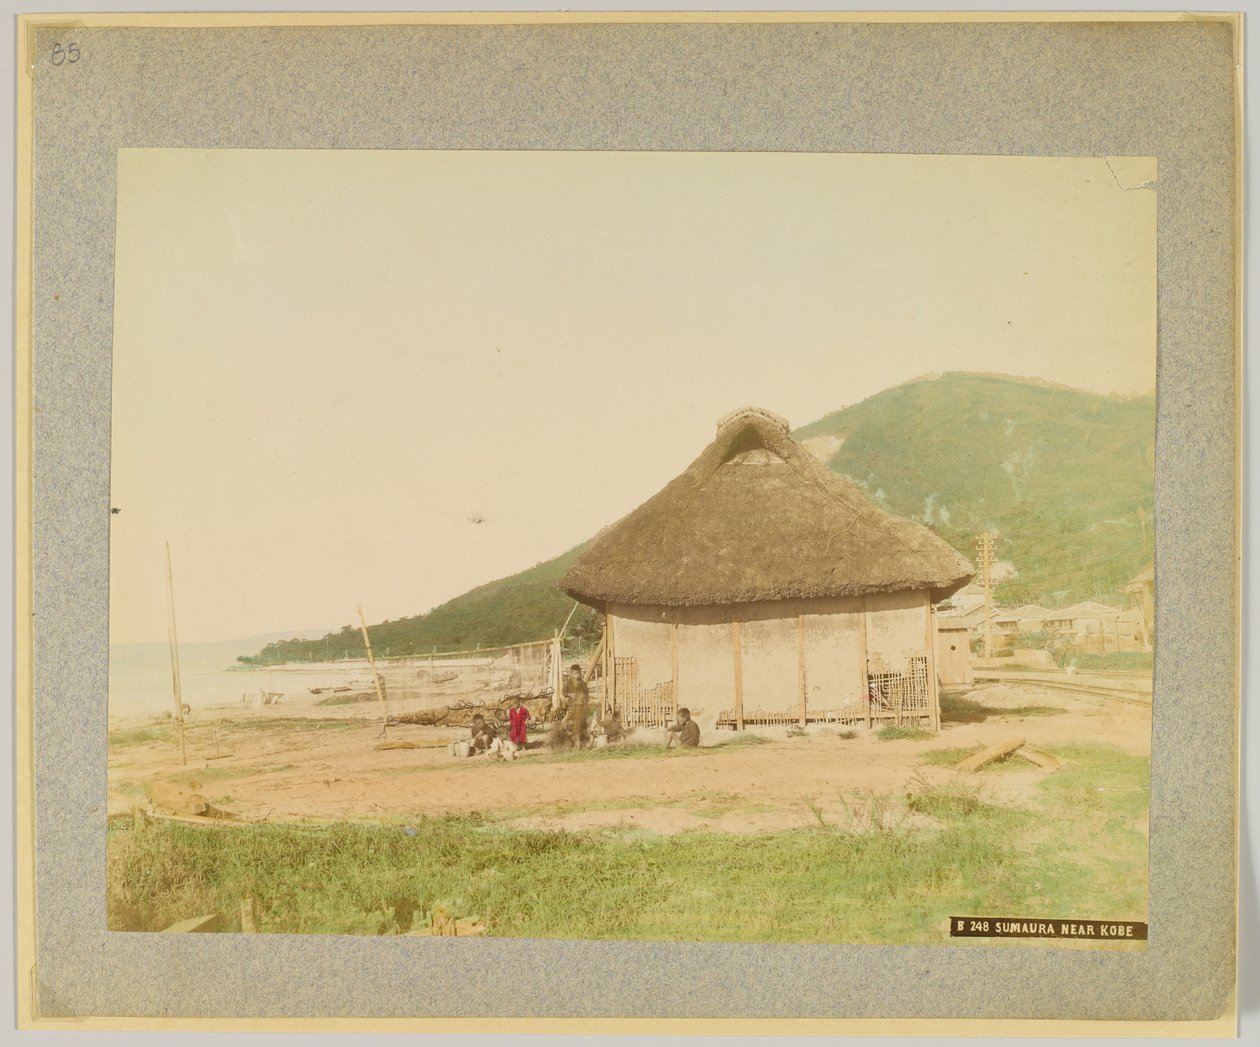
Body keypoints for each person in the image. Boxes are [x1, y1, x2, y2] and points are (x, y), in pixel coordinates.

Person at [562, 664, 590, 748]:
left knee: (581, 723)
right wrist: (569, 695)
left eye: (578, 673)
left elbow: (586, 694)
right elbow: (564, 692)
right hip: (571, 706)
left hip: (580, 707)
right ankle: (569, 738)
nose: (577, 675)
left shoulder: (582, 683)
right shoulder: (568, 682)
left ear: (580, 673)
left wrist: (584, 698)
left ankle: (580, 741)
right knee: (569, 723)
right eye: (574, 673)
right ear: (571, 674)